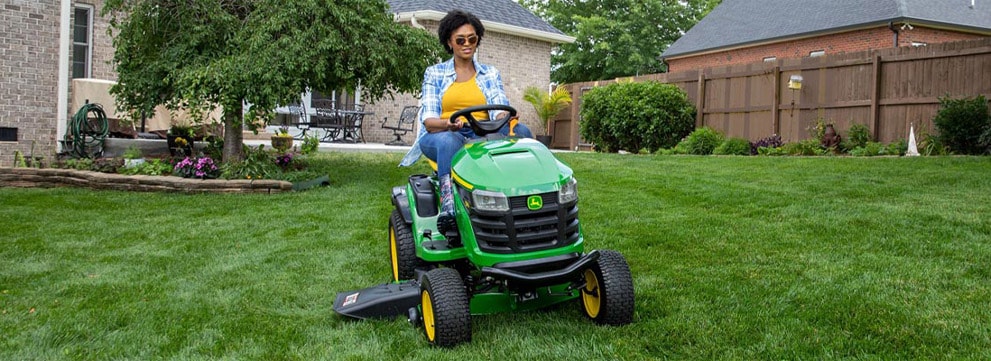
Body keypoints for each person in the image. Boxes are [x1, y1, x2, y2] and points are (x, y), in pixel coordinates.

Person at [399, 9, 532, 230]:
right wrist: (447, 124)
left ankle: (525, 199)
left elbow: (498, 106)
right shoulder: (435, 73)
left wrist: (505, 117)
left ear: (477, 39)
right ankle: (449, 208)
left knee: (523, 134)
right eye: (460, 40)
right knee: (450, 142)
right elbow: (429, 121)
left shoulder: (490, 73)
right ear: (449, 43)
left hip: (483, 132)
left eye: (472, 38)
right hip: (441, 134)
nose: (466, 44)